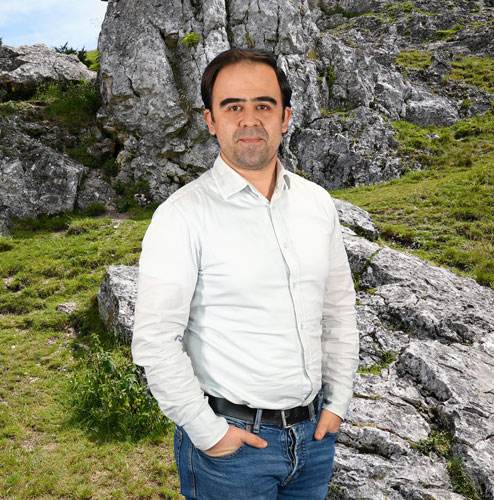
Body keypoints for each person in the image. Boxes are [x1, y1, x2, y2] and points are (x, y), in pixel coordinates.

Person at [132, 48, 359, 500]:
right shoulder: (182, 215)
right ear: (211, 120)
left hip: (315, 441)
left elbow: (338, 309)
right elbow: (155, 340)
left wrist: (337, 403)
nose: (250, 119)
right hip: (231, 453)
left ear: (286, 116)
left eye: (264, 105)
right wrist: (208, 433)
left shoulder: (317, 204)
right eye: (233, 106)